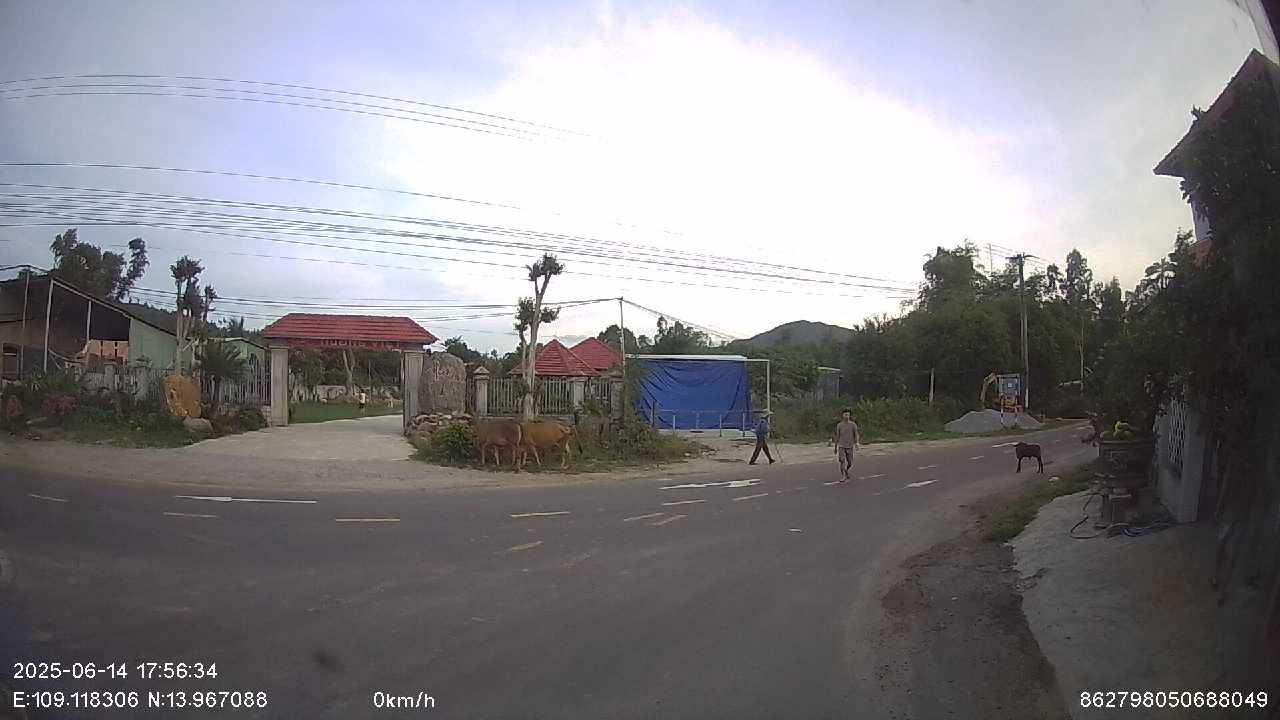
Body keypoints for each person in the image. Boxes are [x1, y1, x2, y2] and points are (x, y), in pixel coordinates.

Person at [830, 409, 861, 482]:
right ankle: (843, 476)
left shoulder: (853, 424)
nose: (846, 416)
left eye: (848, 414)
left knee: (850, 462)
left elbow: (856, 434)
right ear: (842, 415)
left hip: (850, 445)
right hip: (841, 445)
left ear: (849, 415)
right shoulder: (839, 425)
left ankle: (846, 470)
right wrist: (835, 447)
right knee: (842, 460)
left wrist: (857, 443)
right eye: (845, 414)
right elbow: (837, 436)